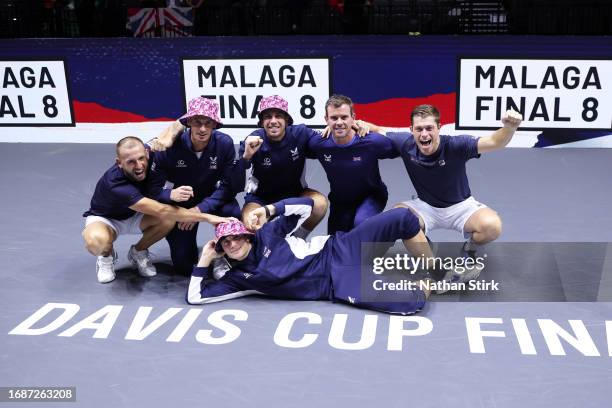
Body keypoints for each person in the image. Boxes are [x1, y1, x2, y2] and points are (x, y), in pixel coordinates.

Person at [186, 197, 437, 314]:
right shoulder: (238, 278)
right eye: (225, 243)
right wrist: (205, 259)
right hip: (335, 283)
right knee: (410, 301)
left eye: (236, 237)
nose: (232, 244)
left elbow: (309, 206)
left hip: (339, 247)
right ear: (221, 248)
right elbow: (196, 298)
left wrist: (270, 209)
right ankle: (434, 283)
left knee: (402, 217)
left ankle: (435, 268)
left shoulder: (268, 233)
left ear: (247, 236)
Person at [363, 104, 523, 267]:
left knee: (492, 226)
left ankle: (470, 249)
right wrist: (359, 123)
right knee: (396, 217)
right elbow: (377, 130)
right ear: (411, 130)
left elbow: (495, 142)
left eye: (429, 128)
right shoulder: (405, 143)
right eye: (419, 129)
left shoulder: (456, 145)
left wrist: (509, 127)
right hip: (426, 207)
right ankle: (431, 263)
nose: (424, 134)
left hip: (461, 208)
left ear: (439, 127)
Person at [82, 136, 229, 284]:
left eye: (141, 158)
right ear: (119, 163)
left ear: (147, 152)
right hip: (107, 219)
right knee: (96, 242)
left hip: (137, 214)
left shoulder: (152, 152)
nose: (139, 165)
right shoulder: (115, 184)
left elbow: (175, 128)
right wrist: (208, 217)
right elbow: (161, 210)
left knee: (168, 220)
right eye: (131, 162)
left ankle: (138, 251)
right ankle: (106, 256)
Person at [148, 97, 241, 275]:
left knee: (233, 213)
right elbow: (152, 189)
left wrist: (199, 210)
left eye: (208, 123)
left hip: (211, 198)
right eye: (197, 122)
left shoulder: (225, 144)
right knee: (183, 266)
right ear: (189, 122)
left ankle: (221, 255)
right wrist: (169, 195)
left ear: (215, 124)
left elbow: (229, 187)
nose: (203, 129)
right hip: (180, 201)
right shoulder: (169, 146)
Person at [231, 95, 329, 239]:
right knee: (250, 222)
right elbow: (236, 183)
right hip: (260, 199)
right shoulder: (251, 141)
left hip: (296, 195)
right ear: (261, 122)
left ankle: (298, 238)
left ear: (287, 120)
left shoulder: (300, 133)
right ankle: (263, 252)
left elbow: (327, 144)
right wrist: (246, 156)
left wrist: (336, 129)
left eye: (278, 116)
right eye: (268, 117)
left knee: (320, 203)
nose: (273, 121)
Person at [306, 94, 398, 234]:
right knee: (335, 245)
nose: (339, 122)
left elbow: (405, 145)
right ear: (326, 119)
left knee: (361, 227)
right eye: (334, 118)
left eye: (344, 117)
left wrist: (373, 128)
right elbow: (292, 145)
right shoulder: (319, 144)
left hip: (372, 196)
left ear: (353, 118)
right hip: (340, 201)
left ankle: (385, 237)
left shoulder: (371, 141)